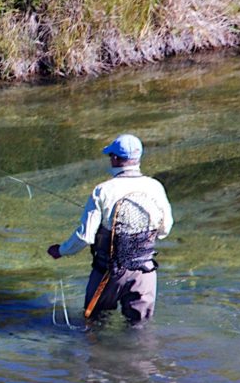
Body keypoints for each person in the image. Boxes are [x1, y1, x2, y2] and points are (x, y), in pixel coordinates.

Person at [47, 134, 173, 324]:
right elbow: (165, 230)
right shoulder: (155, 187)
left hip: (107, 274)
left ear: (115, 158)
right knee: (141, 331)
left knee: (94, 324)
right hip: (145, 273)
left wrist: (61, 250)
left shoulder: (103, 190)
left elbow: (85, 236)